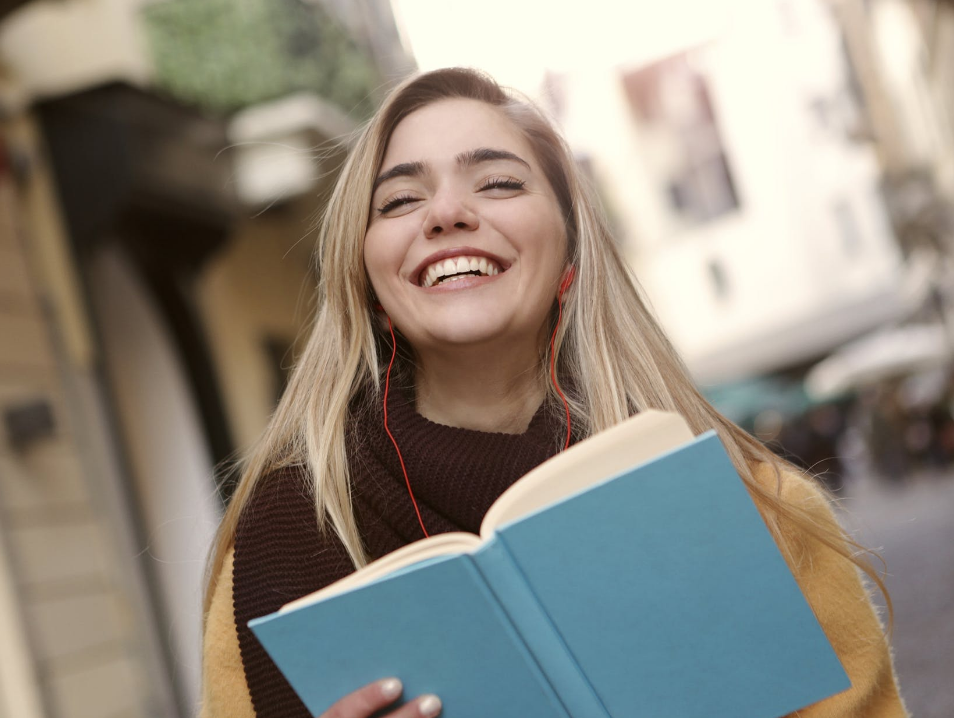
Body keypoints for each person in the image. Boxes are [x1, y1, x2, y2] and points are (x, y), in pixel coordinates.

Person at [199, 68, 906, 718]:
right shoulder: (277, 548)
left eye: (499, 183)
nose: (445, 213)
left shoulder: (761, 514)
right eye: (401, 198)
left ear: (570, 256)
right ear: (369, 282)